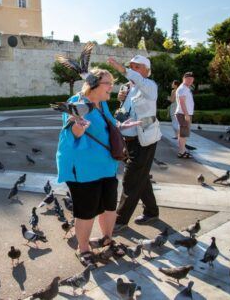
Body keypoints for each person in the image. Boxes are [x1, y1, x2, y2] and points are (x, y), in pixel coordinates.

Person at [56, 68, 141, 267]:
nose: (112, 87)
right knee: (86, 210)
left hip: (107, 165)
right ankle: (83, 248)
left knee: (109, 206)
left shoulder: (102, 104)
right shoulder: (76, 102)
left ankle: (107, 239)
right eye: (108, 83)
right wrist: (79, 127)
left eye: (112, 83)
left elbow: (107, 127)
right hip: (84, 168)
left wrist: (121, 126)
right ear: (93, 84)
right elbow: (71, 134)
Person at [107, 55, 162, 231]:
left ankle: (120, 220)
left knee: (130, 180)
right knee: (141, 177)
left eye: (137, 67)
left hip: (144, 140)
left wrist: (123, 70)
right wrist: (121, 99)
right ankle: (151, 212)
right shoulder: (127, 88)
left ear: (146, 70)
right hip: (127, 140)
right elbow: (124, 112)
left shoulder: (150, 86)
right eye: (130, 66)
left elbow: (140, 84)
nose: (133, 69)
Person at [175, 72, 195, 158]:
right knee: (183, 134)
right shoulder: (182, 88)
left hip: (184, 114)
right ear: (184, 78)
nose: (190, 80)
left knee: (182, 134)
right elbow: (182, 102)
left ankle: (182, 151)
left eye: (192, 79)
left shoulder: (186, 88)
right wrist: (186, 115)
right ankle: (181, 152)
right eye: (188, 78)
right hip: (183, 114)